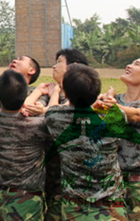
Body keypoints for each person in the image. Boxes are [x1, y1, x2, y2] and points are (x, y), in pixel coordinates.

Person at [45, 63, 128, 221]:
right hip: (111, 206)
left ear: (66, 93)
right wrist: (106, 99)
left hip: (75, 206)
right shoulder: (117, 116)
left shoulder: (54, 116)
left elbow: (55, 108)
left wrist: (55, 92)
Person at [95, 55, 140, 221]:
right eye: (131, 62)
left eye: (136, 64)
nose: (129, 65)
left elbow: (138, 115)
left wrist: (112, 106)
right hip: (107, 179)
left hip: (135, 181)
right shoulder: (110, 100)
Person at [23, 48, 89, 221]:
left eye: (59, 61)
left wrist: (45, 110)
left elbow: (63, 116)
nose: (54, 66)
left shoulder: (86, 97)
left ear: (73, 67)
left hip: (72, 181)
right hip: (50, 175)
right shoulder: (54, 95)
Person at [0, 70, 49, 220]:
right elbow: (55, 116)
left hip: (3, 194)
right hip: (26, 200)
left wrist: (37, 92)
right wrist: (48, 97)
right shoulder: (37, 124)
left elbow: (17, 108)